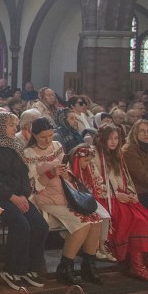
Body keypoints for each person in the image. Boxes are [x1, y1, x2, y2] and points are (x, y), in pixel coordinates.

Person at [75, 124, 148, 282]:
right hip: (103, 197)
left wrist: (131, 194)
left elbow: (126, 178)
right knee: (136, 220)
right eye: (110, 138)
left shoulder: (117, 155)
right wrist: (116, 195)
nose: (113, 142)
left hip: (120, 195)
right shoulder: (93, 154)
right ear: (101, 138)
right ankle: (136, 265)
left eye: (116, 138)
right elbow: (93, 183)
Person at [23, 120, 105, 285]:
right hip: (44, 196)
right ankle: (65, 267)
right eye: (43, 137)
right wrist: (51, 173)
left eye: (50, 135)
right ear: (34, 135)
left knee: (96, 220)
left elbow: (67, 171)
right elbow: (32, 186)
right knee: (82, 223)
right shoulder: (29, 153)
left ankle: (88, 265)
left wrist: (65, 172)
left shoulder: (57, 146)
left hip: (64, 191)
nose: (48, 140)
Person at [0, 112, 47, 289]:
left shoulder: (15, 147)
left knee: (40, 225)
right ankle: (12, 269)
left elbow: (24, 174)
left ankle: (31, 268)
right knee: (21, 225)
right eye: (11, 125)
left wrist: (24, 195)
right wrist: (12, 196)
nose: (14, 128)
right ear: (0, 126)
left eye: (15, 125)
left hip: (19, 197)